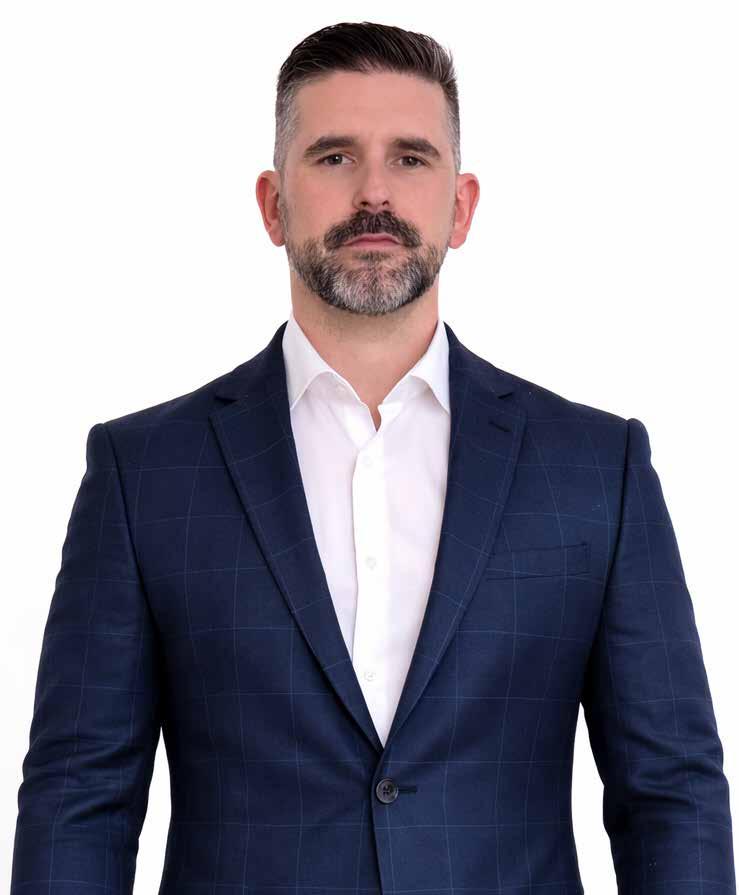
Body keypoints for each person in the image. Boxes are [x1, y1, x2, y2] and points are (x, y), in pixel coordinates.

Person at [10, 20, 735, 894]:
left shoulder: (594, 468)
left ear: (460, 206)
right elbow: (78, 799)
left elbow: (671, 795)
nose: (374, 192)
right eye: (334, 157)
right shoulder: (144, 473)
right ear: (272, 204)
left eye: (410, 158)